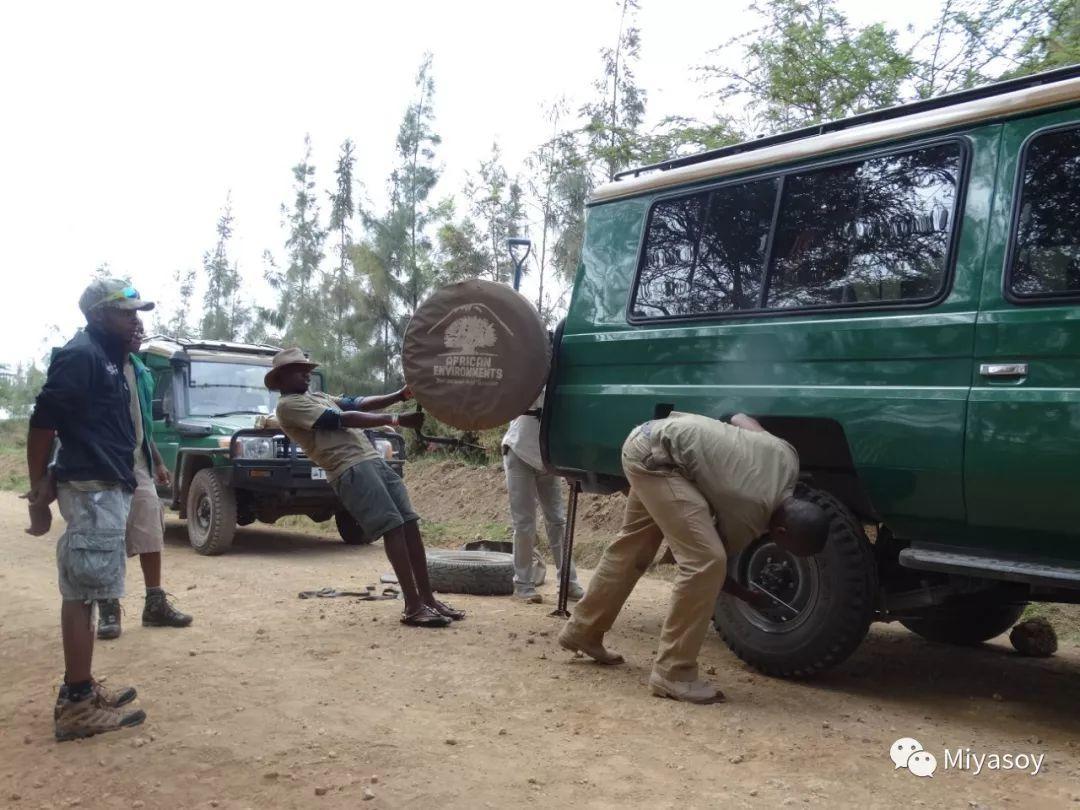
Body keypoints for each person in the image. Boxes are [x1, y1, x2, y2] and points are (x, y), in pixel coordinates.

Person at [557, 412, 829, 704]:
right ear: (782, 530)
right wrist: (748, 596)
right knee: (706, 562)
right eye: (784, 543)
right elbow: (709, 566)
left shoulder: (788, 458)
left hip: (652, 438)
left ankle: (582, 630)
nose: (779, 546)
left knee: (635, 546)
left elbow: (743, 420)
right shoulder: (748, 511)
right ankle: (673, 673)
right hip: (657, 461)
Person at [25, 278, 153, 740]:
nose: (135, 321)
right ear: (99, 315)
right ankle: (77, 702)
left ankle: (82, 690)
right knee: (82, 591)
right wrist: (41, 483)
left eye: (137, 312)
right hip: (92, 487)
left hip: (104, 485)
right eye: (126, 312)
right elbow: (44, 423)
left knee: (90, 586)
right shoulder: (81, 356)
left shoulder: (111, 360)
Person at [267, 347, 463, 628]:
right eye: (300, 370)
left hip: (370, 460)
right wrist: (395, 419)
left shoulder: (317, 397)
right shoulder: (289, 406)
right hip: (350, 467)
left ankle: (429, 599)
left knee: (409, 524)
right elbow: (339, 419)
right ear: (282, 378)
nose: (307, 374)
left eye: (308, 369)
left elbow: (356, 403)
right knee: (393, 527)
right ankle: (413, 606)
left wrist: (399, 395)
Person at [96, 323, 192, 639]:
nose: (138, 333)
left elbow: (142, 424)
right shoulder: (97, 365)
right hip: (103, 463)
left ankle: (154, 603)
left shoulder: (139, 372)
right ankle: (108, 606)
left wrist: (158, 461)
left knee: (151, 527)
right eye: (132, 328)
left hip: (138, 462)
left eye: (141, 329)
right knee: (108, 536)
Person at [502, 394, 583, 604]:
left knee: (557, 521)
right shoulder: (528, 373)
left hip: (548, 457)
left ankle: (569, 583)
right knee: (524, 523)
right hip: (519, 451)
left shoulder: (562, 380)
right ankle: (523, 585)